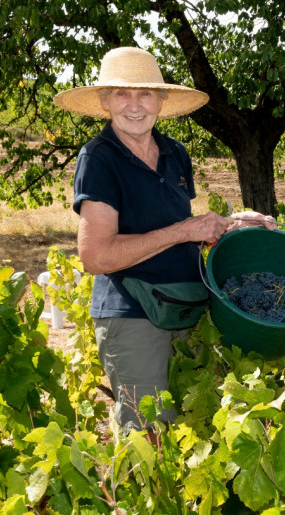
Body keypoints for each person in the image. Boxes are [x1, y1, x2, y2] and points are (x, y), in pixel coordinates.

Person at [55, 46, 273, 435]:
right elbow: (96, 256)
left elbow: (178, 228)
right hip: (135, 315)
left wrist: (232, 224)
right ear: (105, 102)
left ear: (161, 100)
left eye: (145, 94)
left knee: (191, 433)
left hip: (186, 309)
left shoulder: (175, 153)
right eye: (122, 93)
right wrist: (185, 231)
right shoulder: (99, 159)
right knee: (149, 440)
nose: (134, 105)